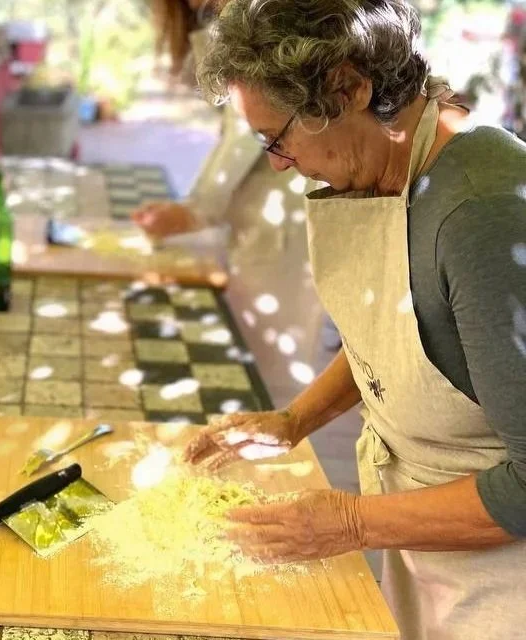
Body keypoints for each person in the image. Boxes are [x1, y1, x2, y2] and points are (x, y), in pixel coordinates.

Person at [185, 0, 526, 637]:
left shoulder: (480, 216)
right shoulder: (387, 173)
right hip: (430, 547)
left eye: (278, 140)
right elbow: (410, 337)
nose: (278, 165)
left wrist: (350, 523)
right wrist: (292, 422)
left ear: (348, 86)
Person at [134, 0, 309, 256]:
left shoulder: (260, 17)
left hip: (283, 219)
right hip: (262, 216)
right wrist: (194, 209)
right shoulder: (222, 17)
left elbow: (245, 130)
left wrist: (195, 211)